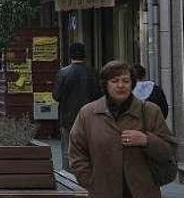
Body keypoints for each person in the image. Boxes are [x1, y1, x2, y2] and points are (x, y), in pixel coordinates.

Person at [68, 60, 175, 198]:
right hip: (103, 191)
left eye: (125, 81)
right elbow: (76, 152)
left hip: (143, 191)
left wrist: (147, 140)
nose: (120, 85)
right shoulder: (88, 113)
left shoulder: (150, 111)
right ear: (105, 85)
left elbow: (169, 150)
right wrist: (90, 181)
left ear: (132, 84)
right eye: (114, 81)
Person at [52, 42, 101, 170]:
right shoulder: (94, 72)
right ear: (85, 56)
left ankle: (68, 175)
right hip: (91, 117)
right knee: (88, 148)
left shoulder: (63, 73)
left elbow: (56, 96)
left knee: (68, 149)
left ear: (70, 56)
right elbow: (99, 95)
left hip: (68, 116)